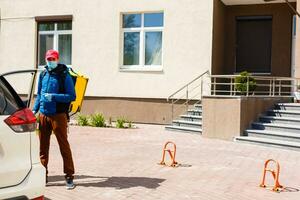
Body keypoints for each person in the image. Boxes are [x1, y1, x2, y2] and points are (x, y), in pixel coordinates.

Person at [33, 49, 76, 190]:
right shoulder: (43, 74)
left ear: (57, 59)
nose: (50, 61)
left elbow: (72, 96)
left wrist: (54, 96)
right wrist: (34, 110)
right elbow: (39, 94)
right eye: (48, 59)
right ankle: (43, 176)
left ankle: (69, 177)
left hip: (58, 116)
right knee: (42, 148)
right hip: (43, 115)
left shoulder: (64, 75)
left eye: (53, 59)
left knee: (64, 146)